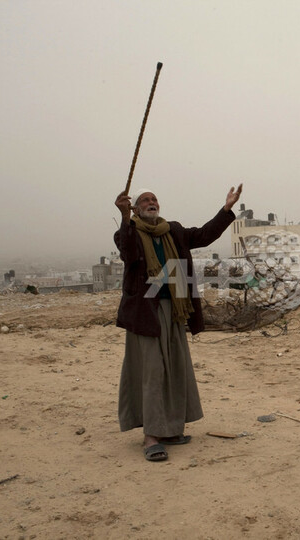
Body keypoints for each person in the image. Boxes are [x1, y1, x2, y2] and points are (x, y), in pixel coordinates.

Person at [113, 184, 242, 461]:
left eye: (154, 199)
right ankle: (151, 436)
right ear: (134, 208)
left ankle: (170, 430)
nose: (151, 202)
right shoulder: (129, 232)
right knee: (152, 372)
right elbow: (129, 254)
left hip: (174, 309)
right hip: (145, 313)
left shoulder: (174, 230)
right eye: (145, 200)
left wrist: (226, 208)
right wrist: (124, 218)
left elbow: (205, 235)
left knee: (174, 369)